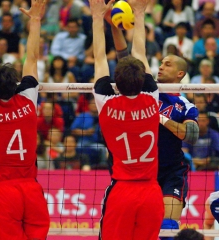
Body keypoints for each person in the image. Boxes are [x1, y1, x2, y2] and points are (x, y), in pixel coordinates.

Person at [104, 4, 199, 240]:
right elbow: (126, 56)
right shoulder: (148, 90)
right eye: (161, 62)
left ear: (180, 73)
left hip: (171, 171)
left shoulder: (185, 105)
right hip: (141, 172)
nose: (161, 67)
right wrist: (114, 27)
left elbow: (191, 135)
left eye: (168, 64)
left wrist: (159, 117)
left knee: (167, 227)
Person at [90, 0, 164, 239]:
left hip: (122, 190)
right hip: (152, 191)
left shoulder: (106, 102)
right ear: (142, 80)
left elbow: (100, 58)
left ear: (116, 83)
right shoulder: (151, 98)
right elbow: (140, 53)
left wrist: (96, 17)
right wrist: (140, 14)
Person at [0, 0, 50, 239]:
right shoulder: (28, 99)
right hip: (32, 189)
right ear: (15, 84)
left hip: (5, 192)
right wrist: (36, 20)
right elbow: (32, 58)